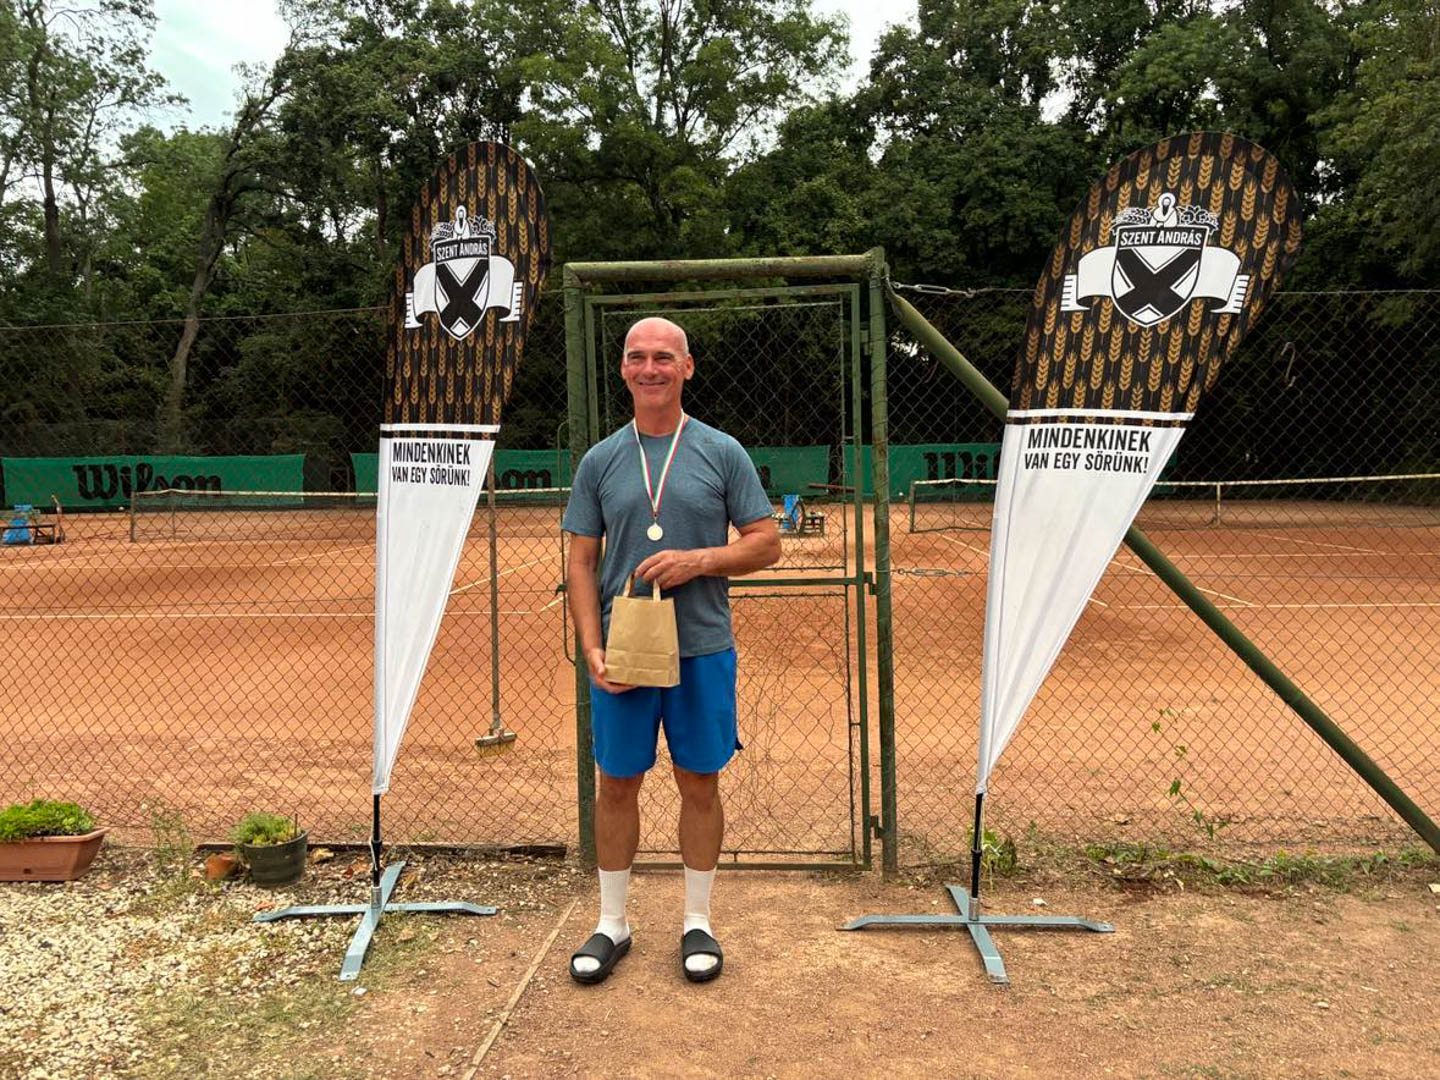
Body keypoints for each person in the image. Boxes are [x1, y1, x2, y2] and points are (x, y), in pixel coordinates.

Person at [562, 315, 780, 984]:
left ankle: (697, 921)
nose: (649, 368)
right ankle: (613, 924)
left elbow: (766, 542)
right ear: (623, 369)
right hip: (623, 651)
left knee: (699, 783)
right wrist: (592, 648)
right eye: (637, 357)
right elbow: (580, 560)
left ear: (687, 367)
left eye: (663, 356)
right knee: (616, 783)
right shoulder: (600, 460)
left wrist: (700, 560)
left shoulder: (721, 451)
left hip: (701, 648)